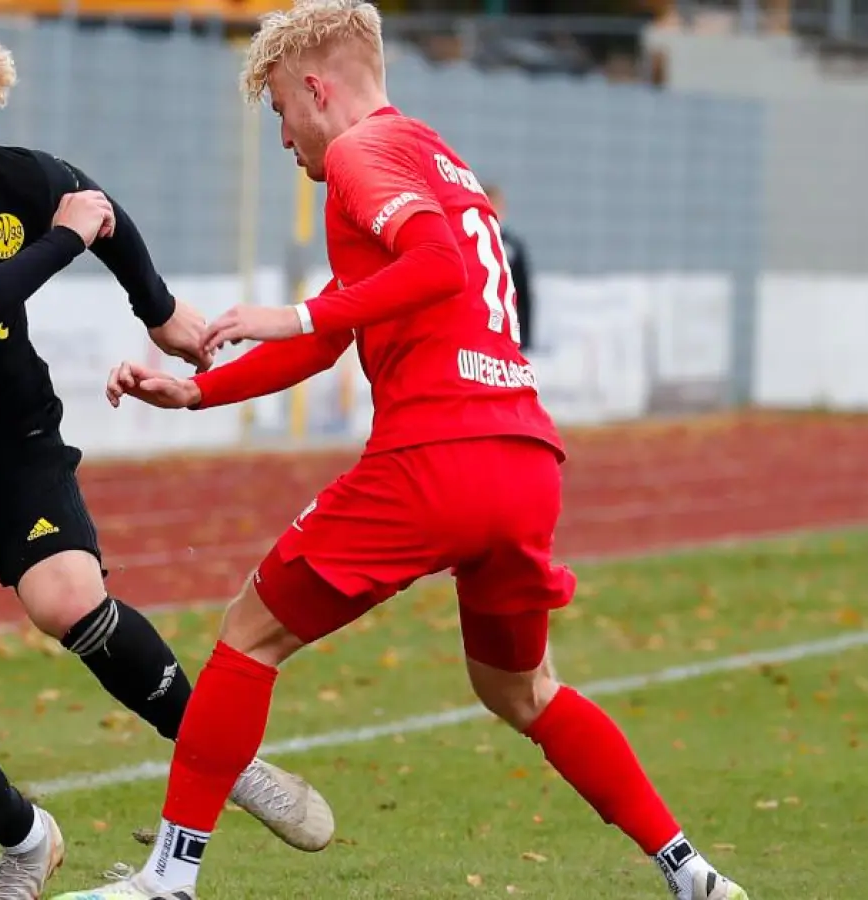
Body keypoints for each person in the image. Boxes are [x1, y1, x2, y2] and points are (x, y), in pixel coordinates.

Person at [53, 2, 750, 899]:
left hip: (436, 458)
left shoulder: (357, 153)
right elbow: (345, 329)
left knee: (248, 636)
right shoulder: (434, 154)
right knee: (522, 691)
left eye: (277, 111)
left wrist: (291, 309)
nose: (282, 141)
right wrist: (198, 389)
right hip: (525, 463)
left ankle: (168, 879)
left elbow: (434, 270)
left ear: (315, 88)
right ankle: (690, 872)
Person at [0, 9, 334, 899]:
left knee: (67, 599)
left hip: (13, 447)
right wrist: (60, 243)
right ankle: (27, 841)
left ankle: (224, 757)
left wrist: (159, 313)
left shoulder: (17, 177)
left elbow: (104, 213)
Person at [485, 183, 536, 352]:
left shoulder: (512, 246)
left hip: (508, 327)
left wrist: (526, 336)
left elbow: (524, 293)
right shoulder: (471, 241)